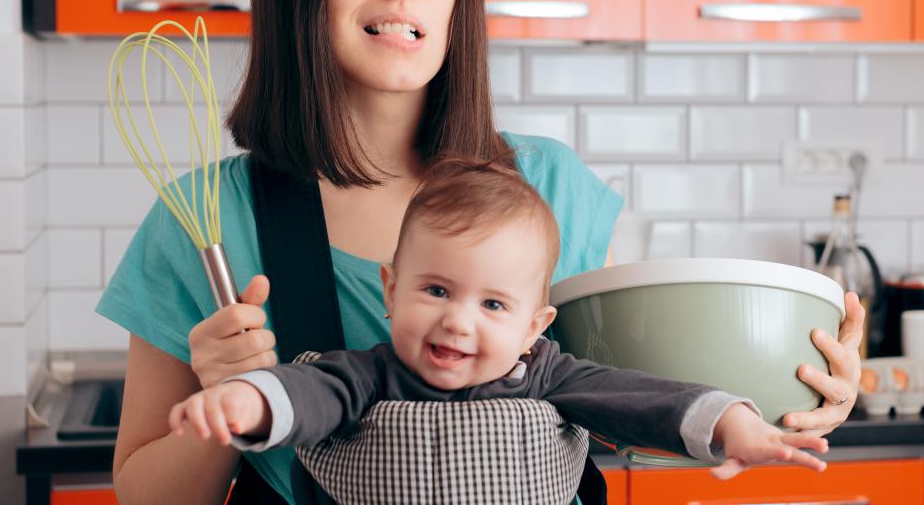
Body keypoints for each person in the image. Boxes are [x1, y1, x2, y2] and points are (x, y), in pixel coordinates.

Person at [97, 0, 866, 504]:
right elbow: (149, 494)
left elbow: (621, 402)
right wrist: (226, 401)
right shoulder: (205, 222)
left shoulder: (549, 186)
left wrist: (791, 396)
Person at [168, 157, 830, 504]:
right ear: (390, 289)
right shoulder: (363, 374)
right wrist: (244, 399)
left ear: (535, 327)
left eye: (493, 305)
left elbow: (643, 398)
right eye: (435, 290)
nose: (458, 319)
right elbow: (303, 393)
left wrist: (733, 424)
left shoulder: (549, 373)